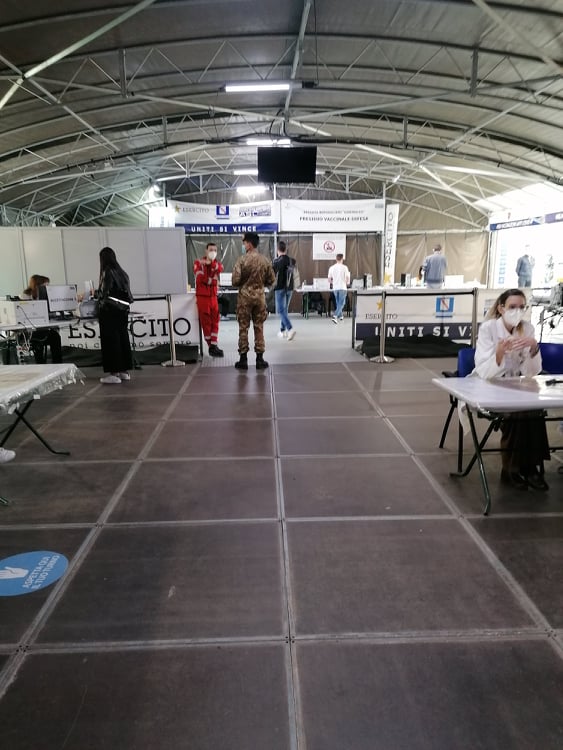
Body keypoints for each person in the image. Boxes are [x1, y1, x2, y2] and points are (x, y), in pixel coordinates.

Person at [472, 288, 550, 491]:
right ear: (501, 308)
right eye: (512, 307)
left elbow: (532, 372)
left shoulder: (527, 329)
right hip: (489, 385)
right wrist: (499, 353)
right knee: (518, 411)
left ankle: (531, 467)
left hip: (516, 385)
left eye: (522, 307)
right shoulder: (489, 328)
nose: (517, 311)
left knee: (533, 409)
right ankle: (511, 468)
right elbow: (483, 370)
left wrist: (533, 348)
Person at [231, 231, 275, 370]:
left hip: (244, 298)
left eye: (244, 243)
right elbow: (271, 280)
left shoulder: (241, 260)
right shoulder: (265, 260)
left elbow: (235, 281)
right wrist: (260, 284)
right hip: (260, 298)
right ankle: (260, 359)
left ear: (249, 244)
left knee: (243, 327)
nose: (244, 245)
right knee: (259, 326)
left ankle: (243, 359)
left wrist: (245, 283)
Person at [97, 246, 133, 385]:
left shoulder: (107, 272)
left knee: (111, 341)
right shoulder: (122, 273)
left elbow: (105, 294)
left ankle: (114, 373)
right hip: (123, 311)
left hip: (109, 311)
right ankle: (124, 371)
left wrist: (97, 297)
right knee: (122, 339)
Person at [22, 274, 63, 364]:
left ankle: (58, 364)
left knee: (55, 337)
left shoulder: (48, 295)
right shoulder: (26, 296)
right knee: (37, 342)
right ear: (38, 285)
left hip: (44, 329)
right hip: (31, 331)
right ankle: (41, 365)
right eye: (46, 284)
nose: (48, 287)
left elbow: (52, 312)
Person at [193, 242, 224, 357]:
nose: (213, 252)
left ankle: (214, 344)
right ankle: (210, 346)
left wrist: (210, 265)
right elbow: (200, 278)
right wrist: (214, 280)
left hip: (213, 297)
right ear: (206, 251)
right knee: (206, 322)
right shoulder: (198, 263)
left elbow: (219, 268)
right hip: (203, 297)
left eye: (215, 250)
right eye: (211, 250)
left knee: (215, 320)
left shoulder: (216, 264)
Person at [272, 240, 297, 341]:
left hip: (280, 288)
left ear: (277, 250)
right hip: (290, 288)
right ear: (286, 249)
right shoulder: (292, 260)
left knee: (281, 310)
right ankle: (282, 330)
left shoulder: (276, 262)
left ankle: (290, 329)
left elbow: (272, 276)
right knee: (284, 310)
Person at [327, 253, 350, 323]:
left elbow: (329, 280)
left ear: (336, 259)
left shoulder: (331, 267)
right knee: (342, 303)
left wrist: (334, 282)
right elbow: (347, 279)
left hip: (335, 288)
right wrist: (346, 283)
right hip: (342, 287)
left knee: (338, 303)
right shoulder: (345, 267)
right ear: (342, 259)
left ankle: (341, 316)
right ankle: (335, 316)